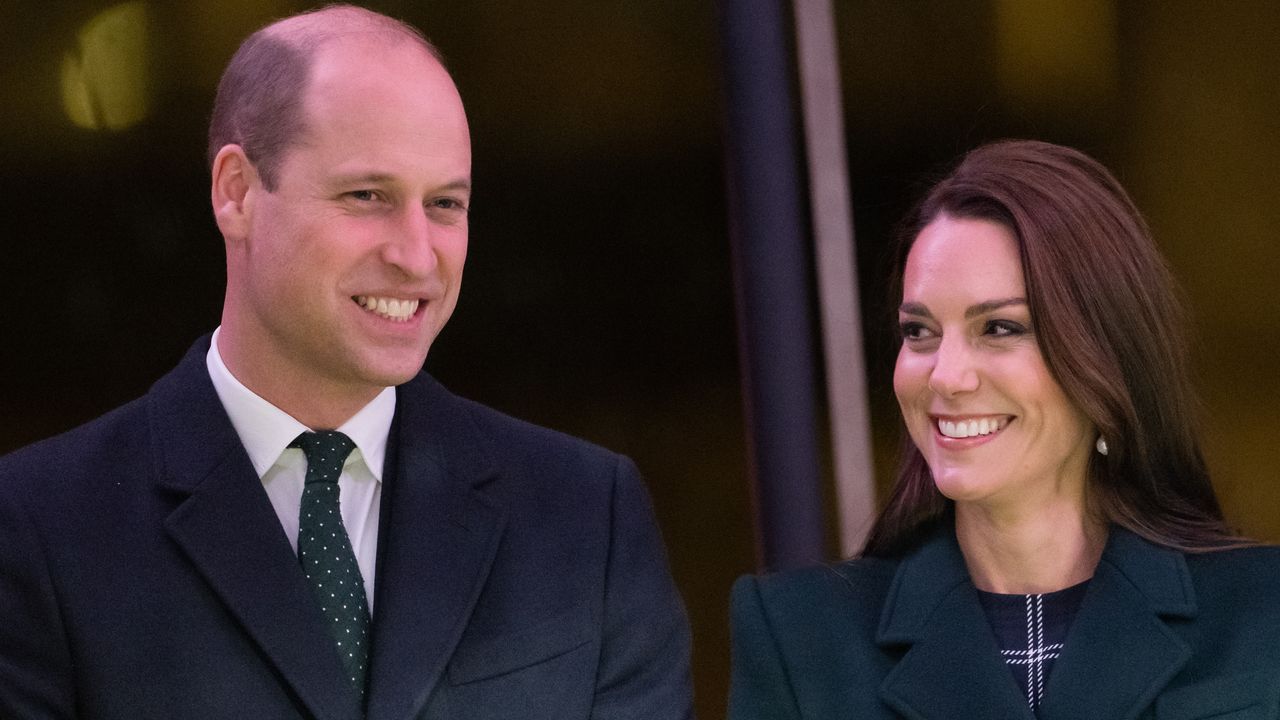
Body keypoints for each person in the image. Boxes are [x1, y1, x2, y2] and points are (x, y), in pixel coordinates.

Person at [0, 6, 693, 719]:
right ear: (236, 192)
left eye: (446, 204)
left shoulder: (585, 516)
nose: (416, 255)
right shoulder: (36, 528)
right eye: (368, 196)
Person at [728, 140, 1280, 719]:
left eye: (998, 327)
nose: (946, 375)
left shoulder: (1262, 615)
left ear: (1106, 355)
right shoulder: (801, 639)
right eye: (919, 332)